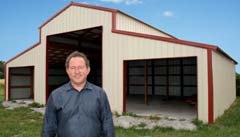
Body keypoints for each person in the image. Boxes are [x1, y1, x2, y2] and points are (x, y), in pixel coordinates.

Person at [42, 51, 115, 137]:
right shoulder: (56, 95)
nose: (77, 71)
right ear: (67, 70)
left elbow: (108, 125)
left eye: (80, 67)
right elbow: (48, 129)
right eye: (73, 68)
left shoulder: (100, 94)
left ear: (88, 70)